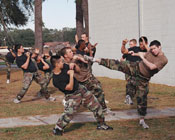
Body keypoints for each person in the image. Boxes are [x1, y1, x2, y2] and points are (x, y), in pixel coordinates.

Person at [95, 40, 168, 129]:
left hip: (144, 79)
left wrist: (142, 57)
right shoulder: (150, 52)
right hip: (136, 67)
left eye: (154, 49)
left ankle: (142, 120)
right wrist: (135, 54)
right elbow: (144, 53)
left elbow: (152, 66)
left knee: (142, 98)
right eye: (151, 49)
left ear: (159, 47)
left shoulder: (163, 59)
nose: (153, 51)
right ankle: (97, 60)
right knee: (119, 64)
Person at [51, 55, 113, 135]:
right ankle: (58, 128)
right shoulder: (56, 79)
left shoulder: (65, 66)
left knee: (97, 106)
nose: (64, 63)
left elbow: (78, 70)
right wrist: (71, 75)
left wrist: (75, 66)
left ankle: (101, 125)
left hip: (81, 89)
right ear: (57, 64)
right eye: (61, 61)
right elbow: (69, 87)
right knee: (69, 112)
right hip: (72, 95)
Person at [121, 37, 148, 105]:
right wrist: (123, 44)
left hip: (140, 72)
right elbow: (123, 51)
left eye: (143, 44)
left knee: (137, 86)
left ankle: (132, 97)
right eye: (140, 44)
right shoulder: (135, 48)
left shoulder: (149, 51)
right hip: (129, 70)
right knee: (130, 83)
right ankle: (128, 98)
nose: (142, 46)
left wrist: (146, 46)